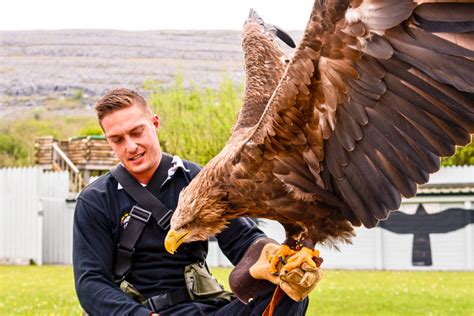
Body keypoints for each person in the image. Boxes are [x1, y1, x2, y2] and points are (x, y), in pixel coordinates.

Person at [73, 88, 319, 315]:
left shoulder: (199, 179)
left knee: (288, 291)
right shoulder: (95, 200)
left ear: (155, 123)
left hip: (204, 308)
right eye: (117, 139)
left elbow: (243, 240)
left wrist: (275, 259)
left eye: (137, 132)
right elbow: (91, 282)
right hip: (139, 310)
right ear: (108, 141)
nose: (131, 146)